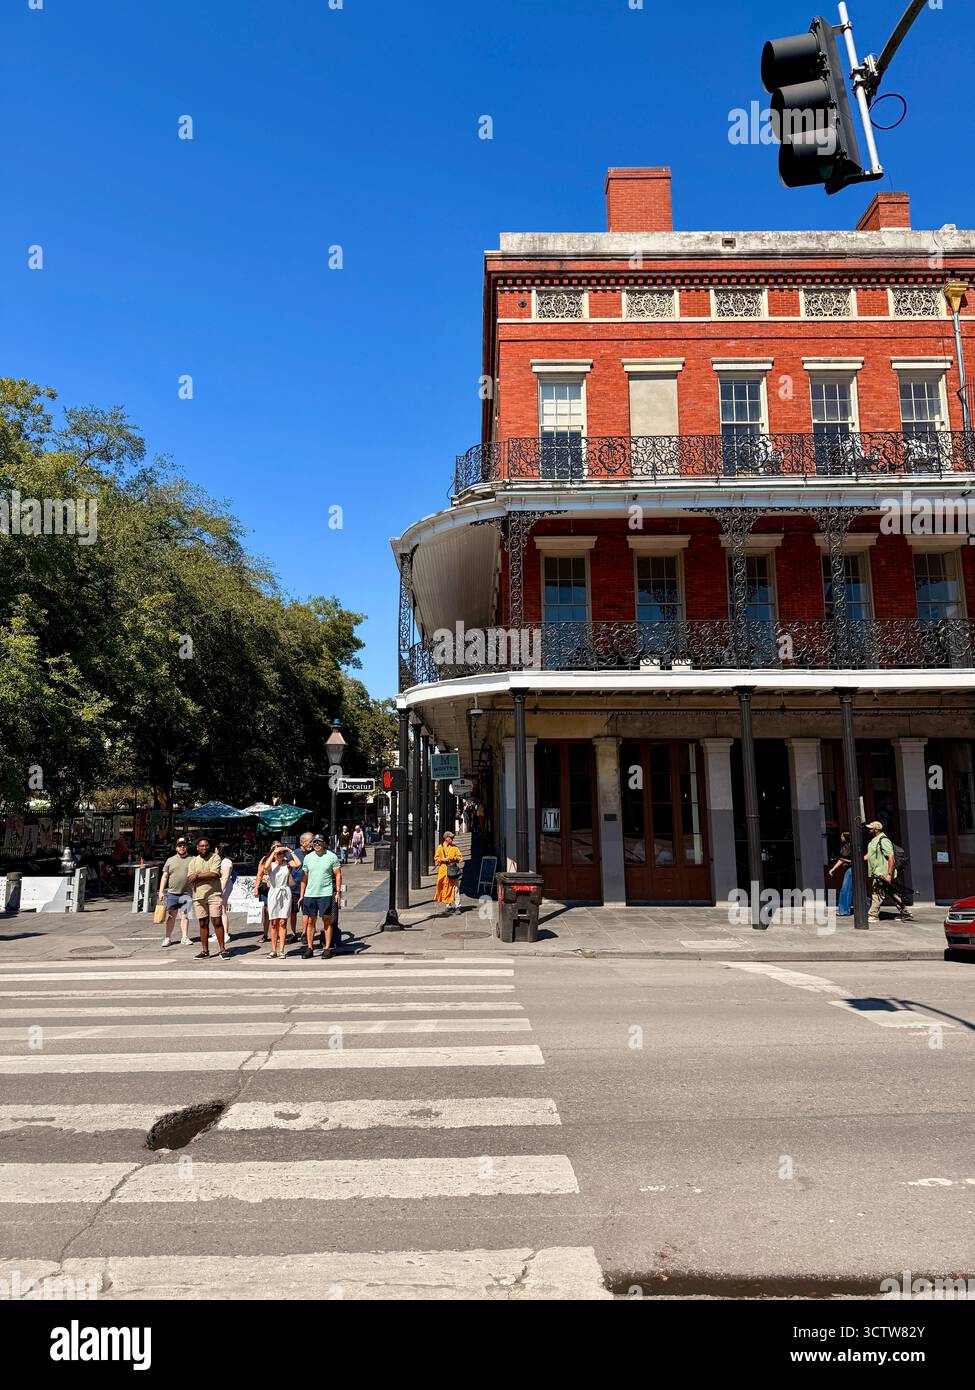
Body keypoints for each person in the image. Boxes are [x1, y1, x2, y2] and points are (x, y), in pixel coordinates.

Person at [298, 833, 342, 959]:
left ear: (324, 843)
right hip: (310, 894)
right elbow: (304, 878)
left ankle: (327, 948)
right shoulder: (308, 858)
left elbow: (338, 874)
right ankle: (310, 948)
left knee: (327, 920)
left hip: (325, 893)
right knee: (311, 921)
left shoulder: (331, 857)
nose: (316, 845)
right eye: (315, 842)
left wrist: (338, 892)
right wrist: (302, 895)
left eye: (319, 842)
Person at [187, 836, 230, 958]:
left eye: (206, 845)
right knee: (203, 923)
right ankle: (205, 951)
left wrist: (197, 876)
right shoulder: (193, 861)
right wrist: (198, 876)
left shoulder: (215, 857)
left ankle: (222, 949)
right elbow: (190, 878)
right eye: (202, 846)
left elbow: (214, 874)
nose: (204, 848)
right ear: (197, 848)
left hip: (214, 894)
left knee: (217, 921)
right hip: (198, 896)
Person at [865, 820, 914, 923]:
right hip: (877, 872)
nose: (868, 830)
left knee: (877, 893)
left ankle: (873, 915)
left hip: (882, 872)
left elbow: (891, 858)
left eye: (870, 828)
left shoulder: (883, 840)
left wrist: (889, 874)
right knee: (891, 894)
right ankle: (905, 913)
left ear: (876, 830)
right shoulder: (874, 840)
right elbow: (870, 855)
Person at [259, 842, 302, 958]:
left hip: (285, 892)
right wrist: (274, 851)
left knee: (283, 922)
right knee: (274, 923)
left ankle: (282, 950)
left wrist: (290, 851)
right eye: (280, 853)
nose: (282, 855)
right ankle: (273, 950)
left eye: (283, 853)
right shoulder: (271, 865)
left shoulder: (287, 863)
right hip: (274, 892)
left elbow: (298, 864)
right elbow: (265, 867)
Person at [157, 837, 192, 947]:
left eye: (184, 845)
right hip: (172, 893)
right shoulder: (170, 860)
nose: (182, 847)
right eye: (180, 845)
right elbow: (165, 876)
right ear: (176, 847)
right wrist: (161, 891)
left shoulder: (193, 859)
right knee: (171, 916)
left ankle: (185, 937)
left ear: (187, 847)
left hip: (186, 892)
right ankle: (168, 937)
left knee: (185, 915)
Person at [288, 831, 314, 941]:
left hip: (309, 888)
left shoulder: (314, 854)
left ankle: (304, 933)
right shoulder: (294, 853)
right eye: (310, 841)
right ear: (303, 842)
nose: (312, 844)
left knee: (306, 912)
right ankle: (293, 933)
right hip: (295, 888)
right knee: (293, 911)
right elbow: (289, 866)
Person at [434, 829, 463, 915]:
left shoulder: (455, 847)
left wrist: (453, 858)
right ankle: (448, 905)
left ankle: (458, 906)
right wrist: (444, 859)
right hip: (443, 871)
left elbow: (460, 858)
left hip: (452, 871)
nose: (452, 839)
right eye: (451, 837)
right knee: (445, 888)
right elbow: (436, 858)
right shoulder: (440, 847)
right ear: (446, 838)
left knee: (456, 888)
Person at [828, 830, 853, 918]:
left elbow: (842, 859)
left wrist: (833, 869)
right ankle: (867, 906)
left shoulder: (848, 846)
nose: (841, 837)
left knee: (845, 890)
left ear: (846, 837)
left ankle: (844, 911)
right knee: (849, 889)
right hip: (848, 869)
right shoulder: (848, 846)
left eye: (842, 836)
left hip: (850, 870)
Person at [217, 842, 236, 945]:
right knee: (218, 910)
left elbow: (225, 877)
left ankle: (225, 933)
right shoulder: (222, 861)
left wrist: (220, 890)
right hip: (221, 886)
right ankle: (219, 932)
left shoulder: (226, 862)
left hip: (224, 887)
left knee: (222, 909)